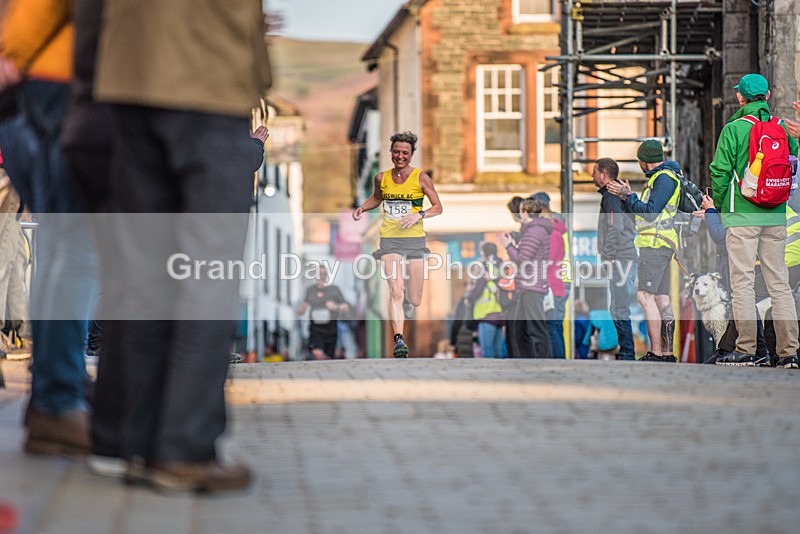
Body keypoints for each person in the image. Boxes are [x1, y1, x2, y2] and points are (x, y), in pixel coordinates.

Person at [91, 0, 272, 491]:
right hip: (208, 80)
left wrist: (91, 80)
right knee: (208, 274)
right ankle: (182, 449)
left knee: (143, 270)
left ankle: (126, 442)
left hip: (129, 80)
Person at [0, 0, 99, 456]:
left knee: (68, 247)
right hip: (58, 85)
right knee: (73, 247)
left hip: (54, 83)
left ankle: (59, 390)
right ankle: (58, 398)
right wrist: (11, 52)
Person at [709, 73, 799, 368]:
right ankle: (789, 352)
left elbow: (719, 173)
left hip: (742, 216)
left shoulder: (734, 129)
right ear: (769, 96)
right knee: (780, 284)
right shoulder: (781, 129)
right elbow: (793, 164)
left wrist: (722, 209)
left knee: (743, 284)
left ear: (740, 97)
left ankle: (746, 349)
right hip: (775, 214)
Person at [352, 131, 443, 358]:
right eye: (396, 152)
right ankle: (399, 341)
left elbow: (438, 207)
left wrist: (418, 215)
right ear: (391, 153)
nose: (400, 156)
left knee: (415, 298)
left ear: (411, 154)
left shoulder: (421, 178)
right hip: (390, 239)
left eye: (405, 153)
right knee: (395, 292)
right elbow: (377, 197)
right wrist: (363, 207)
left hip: (414, 240)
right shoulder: (381, 178)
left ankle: (408, 299)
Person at [607, 140, 683, 362]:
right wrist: (629, 197)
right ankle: (667, 354)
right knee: (661, 298)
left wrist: (628, 197)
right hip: (661, 245)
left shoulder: (663, 180)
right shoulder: (665, 178)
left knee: (644, 295)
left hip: (655, 246)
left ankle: (656, 352)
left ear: (643, 161)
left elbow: (650, 212)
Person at [592, 158, 638, 361]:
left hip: (621, 258)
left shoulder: (610, 197)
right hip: (625, 256)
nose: (592, 175)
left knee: (619, 307)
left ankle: (627, 353)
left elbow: (615, 227)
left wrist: (608, 256)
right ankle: (626, 351)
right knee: (619, 306)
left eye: (594, 171)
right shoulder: (618, 195)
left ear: (603, 174)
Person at [498, 197, 552, 358]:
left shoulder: (534, 231)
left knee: (536, 327)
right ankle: (528, 361)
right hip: (526, 286)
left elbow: (522, 260)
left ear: (525, 211)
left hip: (532, 286)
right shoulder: (531, 230)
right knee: (519, 330)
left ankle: (546, 361)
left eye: (520, 210)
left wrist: (507, 245)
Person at [530, 192, 570, 359]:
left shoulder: (551, 229)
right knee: (555, 325)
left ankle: (558, 361)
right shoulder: (558, 224)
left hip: (554, 281)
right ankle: (560, 359)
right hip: (562, 278)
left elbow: (549, 257)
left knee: (552, 326)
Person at [297, 265, 349, 360]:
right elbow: (303, 306)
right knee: (317, 354)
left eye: (324, 274)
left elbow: (346, 307)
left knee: (328, 358)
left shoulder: (334, 290)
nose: (321, 276)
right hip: (315, 329)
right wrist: (301, 309)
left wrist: (335, 307)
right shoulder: (310, 290)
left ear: (327, 275)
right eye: (319, 274)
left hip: (331, 329)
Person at [465, 242, 505, 359]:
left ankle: (492, 374)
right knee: (498, 348)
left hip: (486, 313)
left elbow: (479, 288)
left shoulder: (485, 266)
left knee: (487, 348)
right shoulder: (501, 265)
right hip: (500, 311)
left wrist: (469, 298)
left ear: (483, 252)